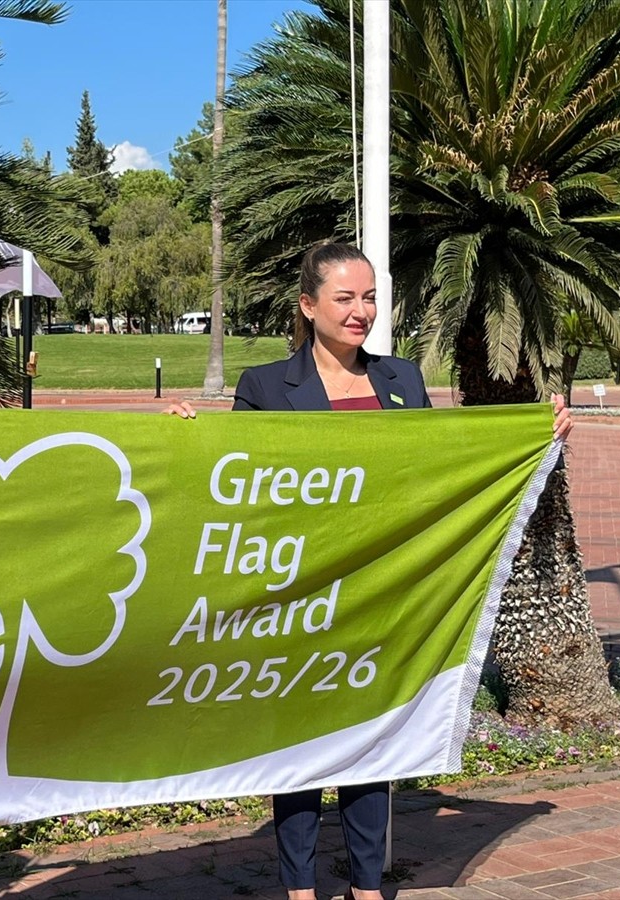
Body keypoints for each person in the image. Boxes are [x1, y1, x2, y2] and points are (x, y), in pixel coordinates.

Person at [169, 240, 571, 900]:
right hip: (301, 600)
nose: (363, 312)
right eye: (346, 298)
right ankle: (299, 888)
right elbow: (232, 484)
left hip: (382, 597)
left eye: (371, 298)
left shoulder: (402, 381)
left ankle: (364, 885)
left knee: (373, 745)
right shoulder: (267, 386)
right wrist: (180, 438)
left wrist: (533, 431)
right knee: (298, 749)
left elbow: (440, 468)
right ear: (309, 305)